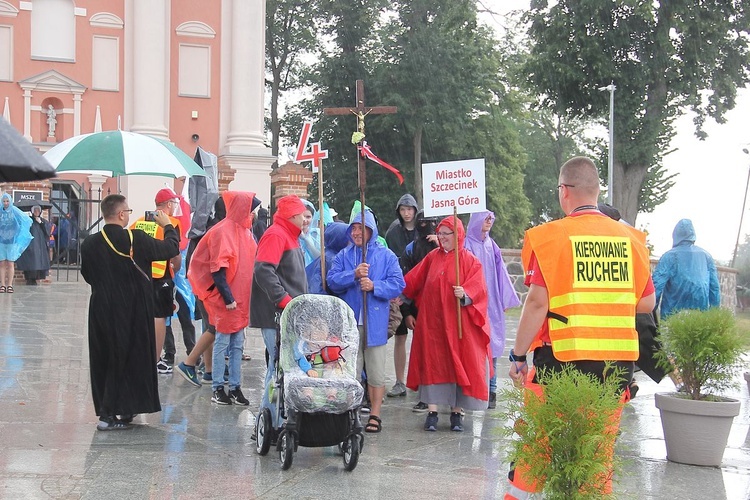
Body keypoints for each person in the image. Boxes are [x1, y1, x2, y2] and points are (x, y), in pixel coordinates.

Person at [506, 157, 655, 499]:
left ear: (564, 191)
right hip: (615, 368)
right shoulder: (631, 239)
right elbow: (647, 303)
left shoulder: (551, 239)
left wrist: (517, 355)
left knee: (537, 448)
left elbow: (537, 303)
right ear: (597, 190)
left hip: (560, 362)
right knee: (596, 457)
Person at [80, 194, 179, 430]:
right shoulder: (136, 238)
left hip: (101, 307)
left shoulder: (90, 243)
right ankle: (115, 412)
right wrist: (167, 226)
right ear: (122, 214)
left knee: (105, 357)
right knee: (131, 356)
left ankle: (110, 411)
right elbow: (170, 249)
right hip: (132, 307)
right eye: (128, 211)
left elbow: (87, 275)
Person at [400, 216, 491, 432]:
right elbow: (412, 280)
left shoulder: (469, 261)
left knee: (456, 363)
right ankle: (432, 412)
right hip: (432, 324)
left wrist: (465, 293)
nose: (441, 238)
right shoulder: (432, 257)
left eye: (445, 234)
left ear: (457, 234)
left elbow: (480, 289)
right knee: (432, 364)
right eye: (440, 234)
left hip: (458, 326)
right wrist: (397, 293)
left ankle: (456, 412)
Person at [328, 209, 405, 433]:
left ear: (371, 230)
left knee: (376, 370)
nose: (356, 232)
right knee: (351, 369)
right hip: (350, 323)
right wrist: (352, 275)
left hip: (376, 322)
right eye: (353, 227)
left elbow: (398, 283)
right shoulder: (344, 256)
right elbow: (332, 281)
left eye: (361, 228)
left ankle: (375, 414)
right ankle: (350, 413)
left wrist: (375, 286)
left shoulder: (386, 256)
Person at [186, 191, 257, 405]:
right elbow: (218, 269)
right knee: (223, 342)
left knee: (236, 345)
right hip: (227, 300)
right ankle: (218, 387)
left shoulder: (244, 231)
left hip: (239, 298)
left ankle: (235, 387)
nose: (253, 215)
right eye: (251, 210)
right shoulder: (224, 231)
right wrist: (227, 298)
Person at [251, 195, 308, 426]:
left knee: (280, 366)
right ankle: (268, 423)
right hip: (276, 315)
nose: (306, 220)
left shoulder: (287, 235)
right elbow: (263, 271)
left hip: (286, 314)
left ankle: (273, 421)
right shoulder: (276, 235)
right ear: (292, 216)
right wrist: (283, 300)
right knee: (278, 368)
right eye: (303, 216)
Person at [464, 211, 521, 409]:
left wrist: (504, 299)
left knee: (493, 347)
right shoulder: (466, 245)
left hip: (491, 303)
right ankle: (471, 390)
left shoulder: (491, 244)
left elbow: (501, 273)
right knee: (472, 348)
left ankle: (492, 389)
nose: (489, 222)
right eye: (486, 218)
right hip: (472, 302)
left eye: (491, 219)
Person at [131, 188, 183, 372]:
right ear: (169, 204)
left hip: (140, 275)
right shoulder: (172, 223)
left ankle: (140, 356)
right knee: (159, 318)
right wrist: (174, 270)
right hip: (162, 277)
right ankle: (155, 359)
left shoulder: (139, 221)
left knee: (141, 317)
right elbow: (175, 253)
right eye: (174, 203)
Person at [398, 211, 439, 412]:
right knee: (424, 354)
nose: (427, 227)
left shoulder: (451, 250)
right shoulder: (411, 249)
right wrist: (407, 312)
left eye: (432, 223)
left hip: (445, 312)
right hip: (421, 311)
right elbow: (406, 282)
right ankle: (425, 396)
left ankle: (450, 398)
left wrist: (441, 245)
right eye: (424, 223)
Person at [384, 194, 419, 398]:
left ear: (415, 210)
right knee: (401, 336)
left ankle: (423, 381)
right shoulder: (393, 232)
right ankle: (399, 381)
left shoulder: (423, 230)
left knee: (423, 337)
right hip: (399, 289)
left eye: (410, 209)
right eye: (403, 209)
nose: (407, 213)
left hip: (419, 289)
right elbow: (390, 261)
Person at [653, 218, 720, 319]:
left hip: (672, 317)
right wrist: (714, 315)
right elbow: (714, 288)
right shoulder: (706, 257)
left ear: (675, 235)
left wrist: (649, 313)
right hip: (700, 317)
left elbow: (656, 286)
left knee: (670, 334)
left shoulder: (669, 257)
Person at [0, 193, 33, 294]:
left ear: (10, 201)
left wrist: (19, 233)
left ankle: (9, 285)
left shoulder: (14, 210)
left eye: (7, 201)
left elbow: (26, 220)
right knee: (1, 263)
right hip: (1, 240)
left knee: (10, 263)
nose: (5, 203)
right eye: (4, 201)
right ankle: (2, 285)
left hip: (12, 241)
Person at [306, 221, 350, 295]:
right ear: (340, 239)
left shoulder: (330, 255)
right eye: (349, 238)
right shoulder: (331, 259)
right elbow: (316, 287)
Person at [16, 205, 52, 285]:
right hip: (31, 244)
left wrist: (41, 223)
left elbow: (47, 232)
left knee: (39, 261)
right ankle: (29, 278)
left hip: (40, 245)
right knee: (31, 261)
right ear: (32, 211)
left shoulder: (43, 221)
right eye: (35, 210)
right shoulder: (28, 220)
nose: (36, 212)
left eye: (38, 210)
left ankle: (36, 278)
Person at [299, 199, 321, 267]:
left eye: (308, 217)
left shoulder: (316, 233)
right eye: (302, 216)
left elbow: (319, 258)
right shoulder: (289, 234)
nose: (305, 220)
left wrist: (305, 239)